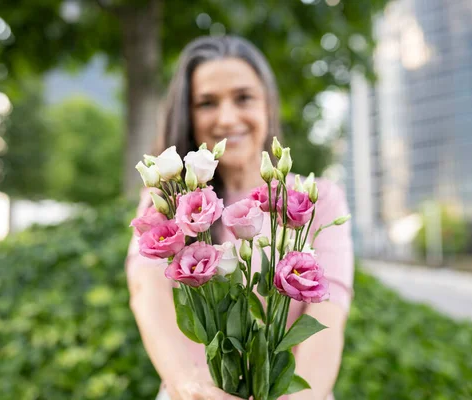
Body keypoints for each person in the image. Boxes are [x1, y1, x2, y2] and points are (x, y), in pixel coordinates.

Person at [125, 35, 354, 400]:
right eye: (206, 103)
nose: (227, 117)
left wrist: (300, 398)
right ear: (187, 114)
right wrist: (189, 384)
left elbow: (328, 309)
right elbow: (146, 290)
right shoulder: (170, 199)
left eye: (243, 97)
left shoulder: (316, 199)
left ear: (268, 105)